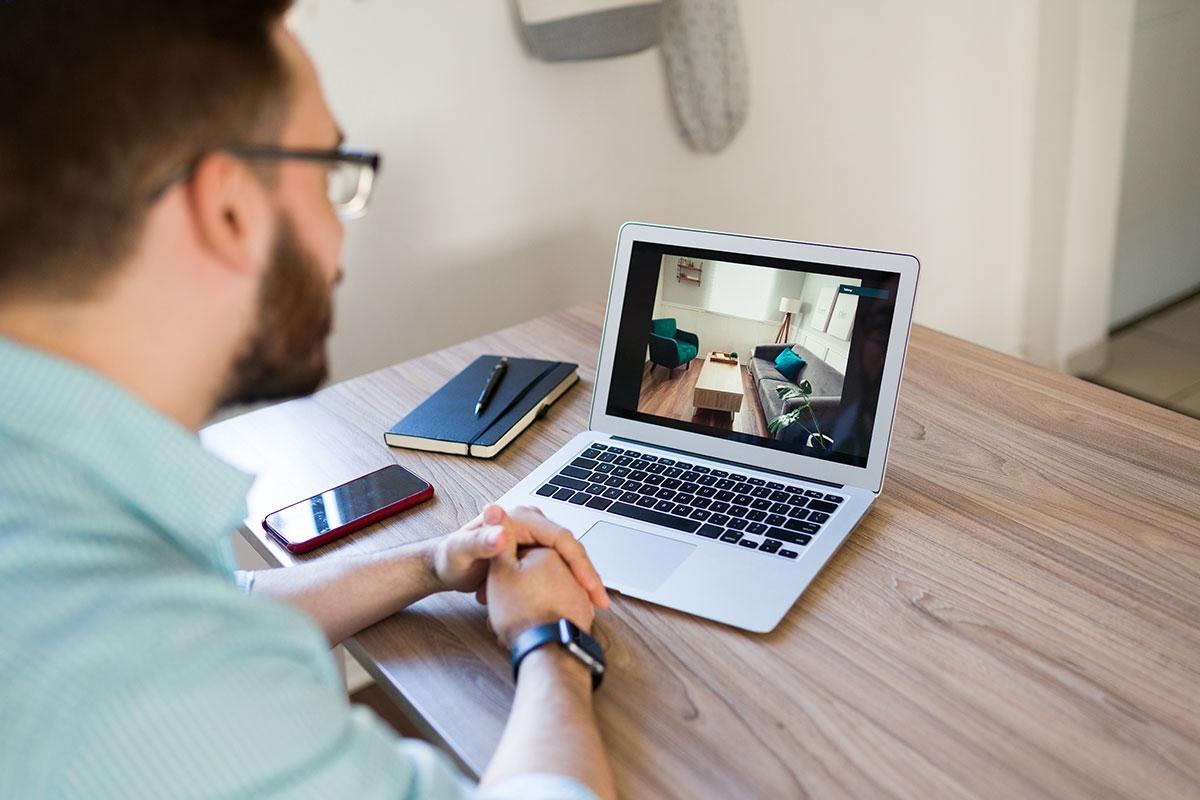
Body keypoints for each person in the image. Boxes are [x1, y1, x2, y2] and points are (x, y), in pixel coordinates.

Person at [0, 3, 616, 798]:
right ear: (229, 209)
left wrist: (431, 562)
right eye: (329, 173)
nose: (338, 233)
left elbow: (231, 606)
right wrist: (553, 643)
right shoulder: (149, 683)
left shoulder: (55, 500)